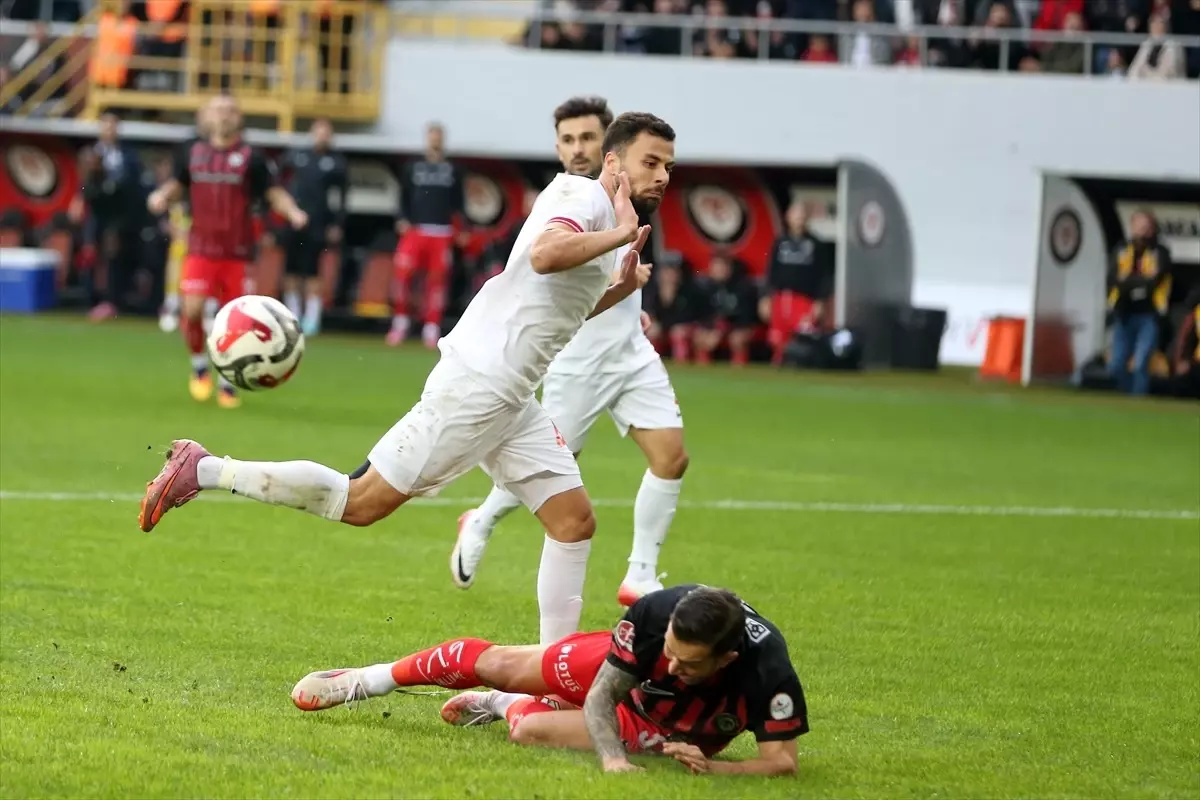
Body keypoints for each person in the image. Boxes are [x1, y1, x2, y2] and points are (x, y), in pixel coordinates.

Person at [137, 113, 675, 644]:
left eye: (668, 166)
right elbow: (544, 254)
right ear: (613, 160)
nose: (662, 175)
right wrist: (622, 238)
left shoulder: (603, 216)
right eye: (649, 161)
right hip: (480, 385)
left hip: (512, 397)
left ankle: (548, 677)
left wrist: (618, 290)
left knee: (574, 522)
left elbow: (556, 309)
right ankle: (205, 469)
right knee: (361, 502)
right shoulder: (586, 200)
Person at [454, 97, 690, 625]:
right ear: (559, 147)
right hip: (575, 362)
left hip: (629, 351)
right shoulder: (565, 200)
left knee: (672, 457)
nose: (578, 148)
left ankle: (640, 574)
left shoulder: (625, 197)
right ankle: (482, 519)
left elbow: (622, 265)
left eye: (588, 137)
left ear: (608, 146)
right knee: (548, 473)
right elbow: (551, 272)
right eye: (568, 140)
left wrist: (634, 307)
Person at [291, 585, 807, 776]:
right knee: (506, 664)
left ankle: (497, 705)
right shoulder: (654, 618)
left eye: (689, 664)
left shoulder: (768, 671)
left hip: (680, 728)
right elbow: (605, 694)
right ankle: (370, 679)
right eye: (670, 653)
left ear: (727, 659)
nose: (673, 667)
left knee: (527, 731)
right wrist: (612, 760)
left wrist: (715, 771)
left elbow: (780, 762)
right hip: (619, 676)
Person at [146, 93, 308, 409]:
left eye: (230, 110)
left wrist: (293, 212)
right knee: (192, 311)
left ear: (239, 118)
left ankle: (227, 383)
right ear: (207, 117)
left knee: (236, 321)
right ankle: (198, 367)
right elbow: (178, 185)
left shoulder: (252, 158)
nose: (223, 115)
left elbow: (273, 193)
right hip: (200, 249)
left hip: (238, 253)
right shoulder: (192, 152)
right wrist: (161, 196)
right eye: (218, 109)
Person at [389, 122, 467, 349]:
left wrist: (459, 228)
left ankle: (431, 327)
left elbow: (458, 202)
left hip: (441, 232)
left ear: (443, 139)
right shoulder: (413, 167)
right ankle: (400, 322)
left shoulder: (453, 169)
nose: (435, 140)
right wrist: (402, 218)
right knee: (403, 277)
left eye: (438, 136)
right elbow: (402, 194)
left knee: (436, 283)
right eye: (432, 136)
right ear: (427, 138)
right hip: (415, 230)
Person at [279, 117, 348, 336]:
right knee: (290, 269)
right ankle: (292, 313)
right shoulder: (297, 156)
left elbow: (342, 196)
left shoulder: (336, 162)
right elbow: (280, 183)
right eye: (319, 131)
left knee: (312, 271)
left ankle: (312, 317)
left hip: (319, 223)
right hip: (295, 221)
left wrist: (337, 223)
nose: (322, 136)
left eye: (326, 132)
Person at [1107, 209, 1172, 396]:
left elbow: (1156, 280)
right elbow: (1114, 278)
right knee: (1117, 363)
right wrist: (1138, 282)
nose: (1143, 231)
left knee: (1141, 363)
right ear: (1132, 226)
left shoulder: (1161, 252)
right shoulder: (1121, 249)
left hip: (1149, 315)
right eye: (1140, 226)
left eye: (1147, 227)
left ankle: (1138, 401)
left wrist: (1128, 281)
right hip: (1123, 312)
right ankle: (1123, 398)